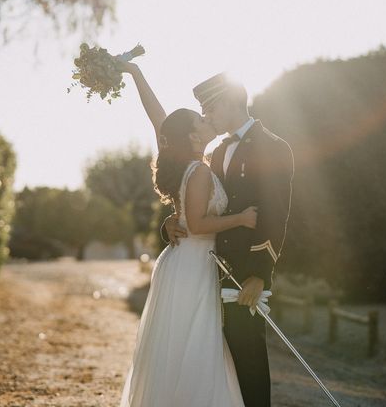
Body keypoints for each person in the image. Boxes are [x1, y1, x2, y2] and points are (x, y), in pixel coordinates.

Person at [118, 63, 256, 407]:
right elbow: (196, 224)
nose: (206, 119)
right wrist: (240, 218)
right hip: (191, 264)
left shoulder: (196, 161)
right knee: (192, 348)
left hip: (188, 263)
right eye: (201, 119)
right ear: (193, 135)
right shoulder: (197, 169)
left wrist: (136, 73)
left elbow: (160, 122)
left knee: (187, 348)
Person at [164, 72, 294, 407]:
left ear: (229, 102)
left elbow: (276, 215)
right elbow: (200, 205)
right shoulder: (217, 152)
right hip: (209, 274)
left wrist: (261, 274)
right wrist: (170, 222)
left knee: (248, 362)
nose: (206, 116)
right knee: (219, 369)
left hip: (245, 274)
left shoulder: (275, 147)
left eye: (210, 108)